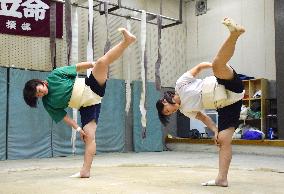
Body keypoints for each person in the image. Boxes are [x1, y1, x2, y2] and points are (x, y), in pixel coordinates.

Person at [23, 28, 136, 178]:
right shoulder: (48, 103)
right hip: (88, 106)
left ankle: (127, 41)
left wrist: (93, 64)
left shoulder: (55, 75)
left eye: (39, 90)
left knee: (102, 62)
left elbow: (77, 67)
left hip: (91, 86)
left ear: (41, 83)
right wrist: (78, 129)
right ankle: (85, 171)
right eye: (37, 95)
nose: (40, 93)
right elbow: (65, 117)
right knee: (89, 137)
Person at [156, 18, 245, 187]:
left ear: (164, 101)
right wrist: (214, 131)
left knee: (219, 63)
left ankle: (235, 34)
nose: (170, 113)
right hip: (227, 105)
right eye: (168, 114)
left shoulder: (180, 84)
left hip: (224, 84)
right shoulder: (185, 111)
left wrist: (213, 66)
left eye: (167, 111)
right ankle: (222, 179)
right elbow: (204, 118)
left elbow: (198, 67)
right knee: (223, 139)